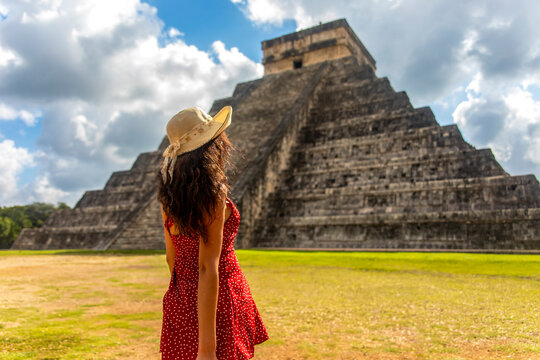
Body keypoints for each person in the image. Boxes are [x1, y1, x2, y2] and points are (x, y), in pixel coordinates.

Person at [157, 106, 270, 360]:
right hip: (219, 297)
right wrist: (207, 349)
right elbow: (208, 266)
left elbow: (170, 258)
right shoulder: (213, 194)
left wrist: (184, 298)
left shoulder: (168, 196)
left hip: (181, 295)